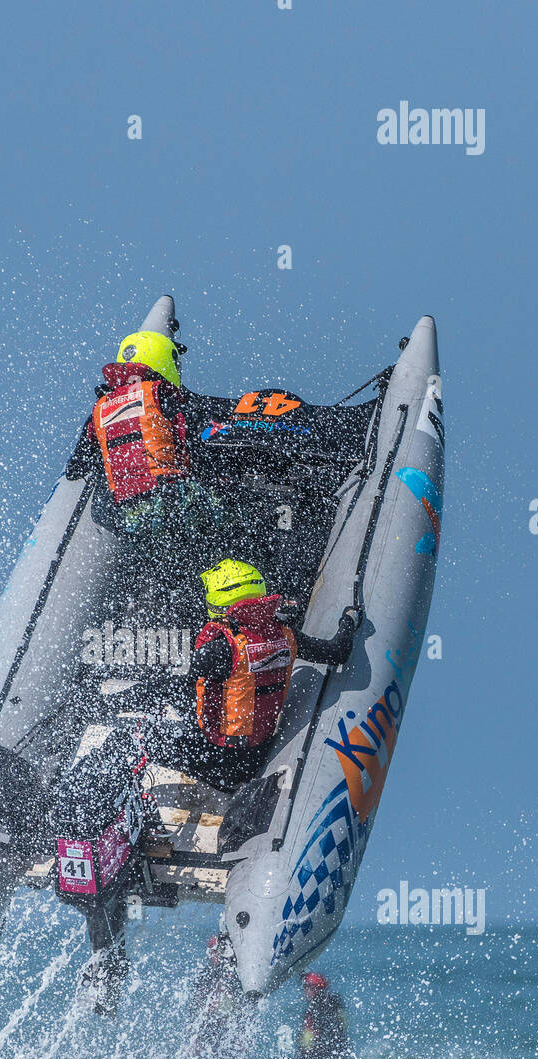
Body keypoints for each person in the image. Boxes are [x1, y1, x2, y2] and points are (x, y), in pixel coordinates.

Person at [66, 296, 227, 541]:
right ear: (164, 359)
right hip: (169, 502)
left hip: (122, 516)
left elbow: (75, 470)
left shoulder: (99, 410)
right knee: (233, 509)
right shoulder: (161, 396)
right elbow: (192, 438)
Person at [191, 558, 360, 759]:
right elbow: (337, 651)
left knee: (151, 728)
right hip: (257, 752)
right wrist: (349, 620)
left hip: (220, 757)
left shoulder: (220, 649)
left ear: (218, 603)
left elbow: (173, 682)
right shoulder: (286, 635)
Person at [296, 972, 347, 1059]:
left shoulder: (312, 1010)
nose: (305, 991)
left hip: (318, 1058)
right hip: (340, 1053)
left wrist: (302, 1056)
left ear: (315, 989)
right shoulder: (335, 1001)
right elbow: (344, 1024)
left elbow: (307, 1038)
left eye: (307, 987)